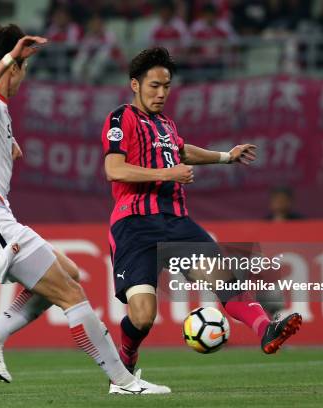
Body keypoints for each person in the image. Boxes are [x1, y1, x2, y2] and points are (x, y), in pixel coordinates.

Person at [0, 24, 170, 395]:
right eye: (22, 71)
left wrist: (9, 146)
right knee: (71, 296)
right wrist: (9, 59)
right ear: (14, 68)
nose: (22, 80)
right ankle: (125, 381)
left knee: (68, 272)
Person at [101, 47, 302, 374]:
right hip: (134, 226)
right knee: (142, 316)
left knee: (225, 279)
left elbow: (182, 151)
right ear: (135, 84)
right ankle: (126, 356)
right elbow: (114, 168)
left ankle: (266, 328)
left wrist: (226, 156)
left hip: (177, 223)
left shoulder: (165, 123)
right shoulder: (120, 117)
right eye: (154, 85)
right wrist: (168, 173)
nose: (162, 93)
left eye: (166, 86)